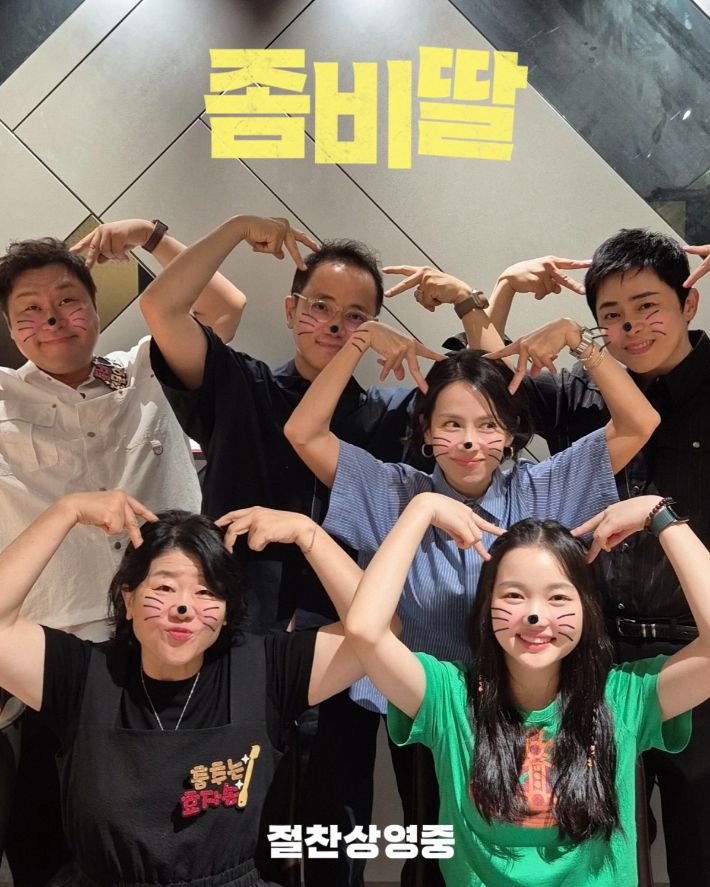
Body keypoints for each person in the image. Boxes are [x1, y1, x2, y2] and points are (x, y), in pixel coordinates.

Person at [139, 213, 462, 887]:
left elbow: (482, 414)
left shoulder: (392, 417)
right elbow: (162, 307)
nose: (334, 326)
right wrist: (233, 229)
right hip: (234, 648)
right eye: (319, 307)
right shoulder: (241, 385)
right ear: (290, 311)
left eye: (355, 317)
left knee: (334, 834)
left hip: (344, 650)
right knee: (228, 826)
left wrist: (471, 305)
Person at [284, 312, 658, 885]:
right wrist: (358, 342)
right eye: (451, 424)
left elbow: (639, 422)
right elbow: (304, 433)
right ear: (426, 430)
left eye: (487, 425)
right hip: (432, 713)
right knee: (431, 853)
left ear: (509, 433)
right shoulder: (395, 491)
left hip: (534, 713)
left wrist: (576, 341)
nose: (467, 442)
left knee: (536, 849)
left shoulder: (542, 487)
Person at [0, 218, 246, 885]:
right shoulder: (4, 396)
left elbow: (226, 305)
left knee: (173, 834)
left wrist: (154, 235)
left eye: (68, 300)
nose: (54, 319)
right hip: (53, 657)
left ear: (94, 304)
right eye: (30, 310)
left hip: (168, 644)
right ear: (10, 326)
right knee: (51, 844)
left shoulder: (141, 370)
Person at [0, 488, 378, 887]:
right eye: (164, 588)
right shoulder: (82, 673)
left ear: (227, 611)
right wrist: (66, 510)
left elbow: (376, 632)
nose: (184, 608)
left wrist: (308, 534)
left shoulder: (267, 669)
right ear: (128, 600)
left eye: (206, 592)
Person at [480, 231, 710, 885]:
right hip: (596, 665)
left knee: (702, 845)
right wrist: (501, 290)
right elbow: (483, 392)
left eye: (647, 306)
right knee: (600, 852)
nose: (631, 327)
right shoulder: (581, 390)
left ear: (688, 303)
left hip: (700, 653)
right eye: (612, 314)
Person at [342, 491, 710, 886]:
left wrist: (660, 516)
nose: (535, 615)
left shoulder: (623, 698)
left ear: (586, 609)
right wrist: (420, 509)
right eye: (514, 596)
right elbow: (364, 631)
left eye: (558, 597)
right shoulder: (449, 696)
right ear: (487, 606)